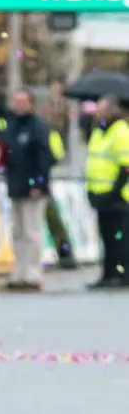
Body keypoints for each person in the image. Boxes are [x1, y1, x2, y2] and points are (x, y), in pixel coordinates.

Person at [0, 88, 54, 292]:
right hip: (15, 186)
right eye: (16, 101)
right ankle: (19, 271)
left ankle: (33, 272)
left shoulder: (38, 127)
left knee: (32, 232)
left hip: (32, 188)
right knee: (18, 232)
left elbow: (44, 158)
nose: (18, 105)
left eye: (22, 101)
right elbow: (6, 155)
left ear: (30, 104)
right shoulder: (10, 127)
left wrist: (38, 184)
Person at [84, 94, 129, 289]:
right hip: (99, 194)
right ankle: (108, 274)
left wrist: (115, 191)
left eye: (100, 110)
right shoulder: (98, 132)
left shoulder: (120, 131)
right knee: (106, 238)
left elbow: (126, 166)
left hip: (118, 196)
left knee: (120, 239)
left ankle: (121, 274)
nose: (96, 114)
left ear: (111, 111)